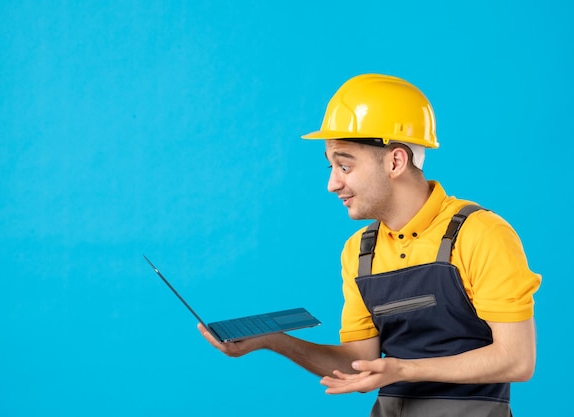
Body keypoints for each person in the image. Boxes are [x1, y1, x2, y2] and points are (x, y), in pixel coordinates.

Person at [198, 74, 541, 417]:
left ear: (395, 161)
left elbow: (516, 360)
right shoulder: (359, 252)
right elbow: (357, 363)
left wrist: (405, 369)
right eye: (331, 166)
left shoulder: (480, 234)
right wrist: (272, 341)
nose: (333, 184)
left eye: (344, 165)